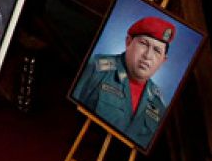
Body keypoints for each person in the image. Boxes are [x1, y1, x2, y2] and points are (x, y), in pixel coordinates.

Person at [71, 15, 175, 148]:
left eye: (156, 50)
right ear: (128, 42)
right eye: (144, 43)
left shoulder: (158, 103)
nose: (148, 56)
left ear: (163, 60)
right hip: (80, 146)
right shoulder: (96, 69)